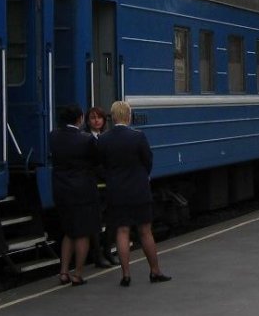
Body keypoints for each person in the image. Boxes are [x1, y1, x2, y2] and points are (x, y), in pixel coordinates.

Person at [98, 100, 170, 287]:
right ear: (128, 116)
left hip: (116, 191)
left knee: (122, 231)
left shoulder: (104, 139)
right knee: (145, 231)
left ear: (112, 117)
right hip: (138, 190)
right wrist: (142, 175)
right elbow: (148, 161)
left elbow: (101, 165)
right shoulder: (138, 137)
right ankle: (154, 271)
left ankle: (126, 275)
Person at [48, 104, 101, 287]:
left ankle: (63, 272)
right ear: (79, 119)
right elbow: (97, 160)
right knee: (83, 233)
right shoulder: (85, 139)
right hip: (83, 191)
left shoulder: (53, 136)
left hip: (61, 190)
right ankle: (77, 274)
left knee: (69, 232)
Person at [83, 106, 115, 267]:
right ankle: (98, 255)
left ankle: (108, 251)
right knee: (96, 222)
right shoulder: (87, 139)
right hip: (95, 185)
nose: (96, 120)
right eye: (93, 118)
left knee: (111, 220)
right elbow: (93, 164)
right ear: (88, 121)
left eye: (99, 118)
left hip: (108, 185)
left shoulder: (107, 137)